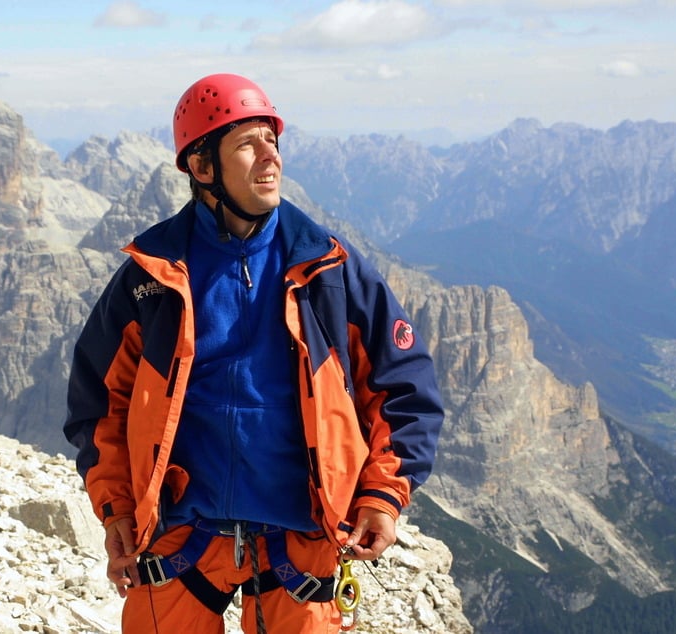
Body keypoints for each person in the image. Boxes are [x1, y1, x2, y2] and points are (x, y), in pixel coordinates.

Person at [64, 73, 445, 634]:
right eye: (248, 143)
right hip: (182, 535)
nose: (271, 158)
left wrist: (383, 495)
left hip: (301, 536)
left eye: (273, 140)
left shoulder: (330, 270)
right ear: (201, 167)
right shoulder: (153, 278)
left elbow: (403, 389)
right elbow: (99, 401)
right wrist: (117, 505)